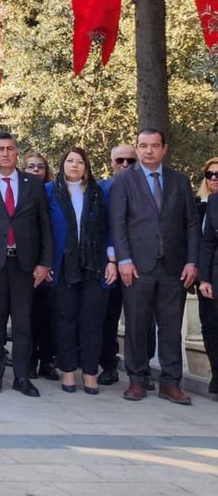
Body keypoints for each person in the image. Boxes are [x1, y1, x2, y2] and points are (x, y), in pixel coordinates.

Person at [109, 128, 199, 404]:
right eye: (143, 145)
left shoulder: (180, 181)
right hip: (137, 266)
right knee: (137, 324)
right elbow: (118, 222)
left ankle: (171, 383)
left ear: (164, 149)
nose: (149, 150)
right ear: (136, 148)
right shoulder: (124, 181)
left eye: (154, 146)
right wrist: (123, 259)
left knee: (171, 327)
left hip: (174, 267)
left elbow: (191, 224)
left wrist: (192, 261)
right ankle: (136, 380)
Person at [0, 132, 53, 397]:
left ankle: (22, 377)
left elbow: (45, 227)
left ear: (17, 153)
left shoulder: (33, 185)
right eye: (0, 149)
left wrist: (45, 262)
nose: (5, 153)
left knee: (24, 322)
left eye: (10, 148)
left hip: (25, 264)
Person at [45, 148, 115, 396]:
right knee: (65, 319)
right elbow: (43, 230)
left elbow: (110, 228)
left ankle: (89, 372)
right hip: (62, 265)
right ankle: (67, 370)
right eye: (70, 161)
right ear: (62, 164)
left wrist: (112, 261)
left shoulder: (99, 193)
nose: (75, 165)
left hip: (94, 265)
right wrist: (45, 263)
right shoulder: (50, 192)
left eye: (80, 162)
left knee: (92, 321)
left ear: (87, 167)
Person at [98, 143, 138, 386]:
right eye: (120, 160)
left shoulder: (148, 188)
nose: (125, 165)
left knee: (140, 320)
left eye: (130, 161)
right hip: (109, 265)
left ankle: (140, 370)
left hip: (141, 263)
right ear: (112, 163)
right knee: (107, 317)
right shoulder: (102, 189)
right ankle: (109, 365)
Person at [23, 152, 58, 381]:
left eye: (40, 167)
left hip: (51, 262)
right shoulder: (21, 193)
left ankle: (47, 361)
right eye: (31, 166)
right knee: (28, 317)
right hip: (26, 264)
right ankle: (28, 363)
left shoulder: (55, 193)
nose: (36, 170)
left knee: (49, 317)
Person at [196, 157, 218, 397]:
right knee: (210, 327)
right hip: (209, 277)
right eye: (209, 174)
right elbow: (206, 243)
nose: (213, 179)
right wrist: (203, 278)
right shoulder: (206, 203)